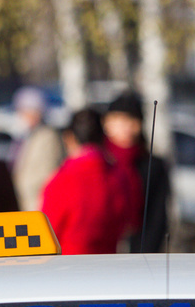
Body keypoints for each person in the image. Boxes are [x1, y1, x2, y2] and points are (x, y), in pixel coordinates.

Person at [40, 108, 135, 255]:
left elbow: (47, 233)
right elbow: (130, 221)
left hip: (67, 268)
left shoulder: (62, 180)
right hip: (108, 266)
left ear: (69, 138)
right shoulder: (120, 177)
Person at [103, 90, 170, 253]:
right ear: (106, 123)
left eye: (132, 120)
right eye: (119, 119)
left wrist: (145, 254)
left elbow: (158, 217)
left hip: (140, 253)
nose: (126, 126)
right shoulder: (97, 162)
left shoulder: (152, 165)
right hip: (100, 252)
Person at [9, 86, 65, 211]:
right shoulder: (26, 135)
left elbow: (49, 172)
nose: (22, 115)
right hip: (25, 203)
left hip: (38, 204)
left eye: (25, 111)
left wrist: (21, 187)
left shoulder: (48, 137)